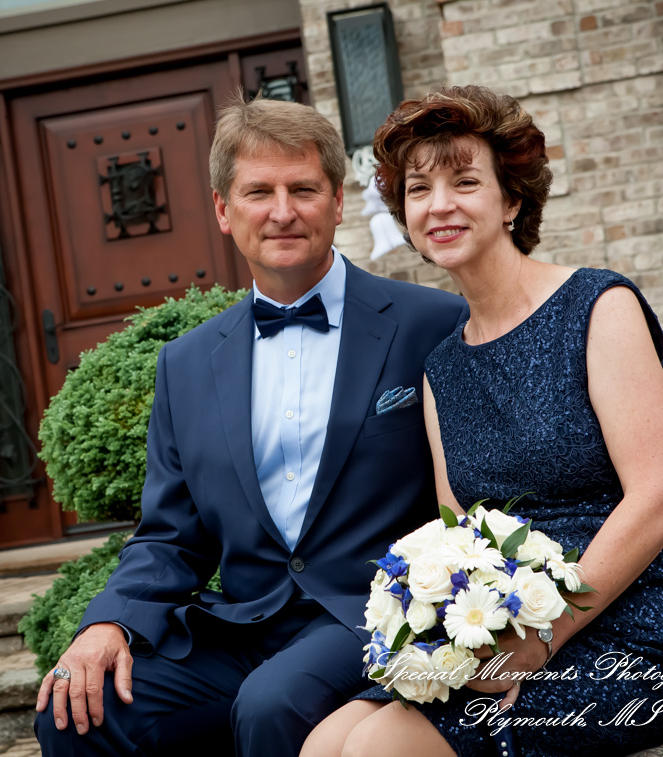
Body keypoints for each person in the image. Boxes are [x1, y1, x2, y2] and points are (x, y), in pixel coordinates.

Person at [32, 93, 467, 756]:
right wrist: (109, 622)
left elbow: (470, 496)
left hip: (371, 614)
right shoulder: (184, 363)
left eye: (304, 188)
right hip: (242, 625)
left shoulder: (429, 323)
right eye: (258, 191)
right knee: (77, 711)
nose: (283, 211)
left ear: (338, 201)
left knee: (272, 703)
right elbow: (170, 536)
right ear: (222, 209)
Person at [302, 86, 663, 757]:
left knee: (373, 750)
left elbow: (661, 495)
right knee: (324, 744)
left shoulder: (598, 305)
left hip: (641, 634)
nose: (438, 204)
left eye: (464, 181)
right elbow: (458, 537)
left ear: (511, 199)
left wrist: (543, 636)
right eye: (419, 189)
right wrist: (442, 644)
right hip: (508, 635)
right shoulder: (441, 368)